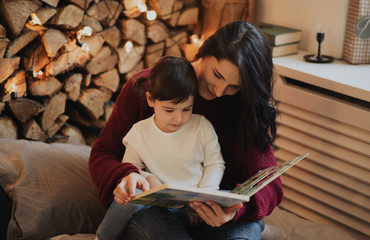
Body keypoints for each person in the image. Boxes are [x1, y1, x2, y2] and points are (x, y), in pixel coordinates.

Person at [89, 20, 283, 240]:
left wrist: (234, 211)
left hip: (217, 221)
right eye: (217, 75)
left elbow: (271, 185)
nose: (219, 92)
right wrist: (127, 175)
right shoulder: (145, 88)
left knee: (247, 229)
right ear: (205, 53)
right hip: (157, 214)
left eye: (234, 86)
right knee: (155, 222)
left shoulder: (245, 108)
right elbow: (102, 155)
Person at [96, 56, 225, 240]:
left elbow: (215, 164)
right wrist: (147, 178)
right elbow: (130, 169)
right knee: (131, 192)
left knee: (243, 214)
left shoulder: (202, 127)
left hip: (193, 209)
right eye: (170, 110)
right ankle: (102, 237)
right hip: (154, 209)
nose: (178, 119)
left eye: (186, 109)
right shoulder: (139, 132)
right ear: (150, 100)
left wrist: (204, 197)